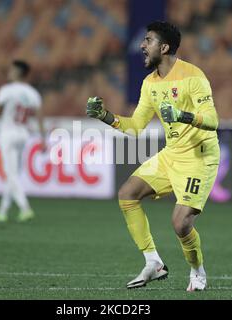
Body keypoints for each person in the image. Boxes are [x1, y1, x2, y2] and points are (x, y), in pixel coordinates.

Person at [86, 21, 220, 291]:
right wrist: (105, 116)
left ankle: (198, 272)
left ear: (165, 47)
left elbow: (213, 120)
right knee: (127, 194)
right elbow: (136, 126)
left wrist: (182, 116)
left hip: (199, 156)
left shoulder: (193, 76)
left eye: (148, 41)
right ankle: (153, 262)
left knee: (181, 224)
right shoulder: (150, 84)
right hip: (171, 155)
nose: (142, 46)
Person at [0, 60, 46, 222]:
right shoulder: (33, 93)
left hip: (8, 133)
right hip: (23, 134)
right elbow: (39, 116)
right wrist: (43, 138)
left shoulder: (7, 90)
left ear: (19, 73)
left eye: (12, 70)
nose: (9, 72)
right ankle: (2, 211)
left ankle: (25, 208)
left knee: (10, 174)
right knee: (13, 174)